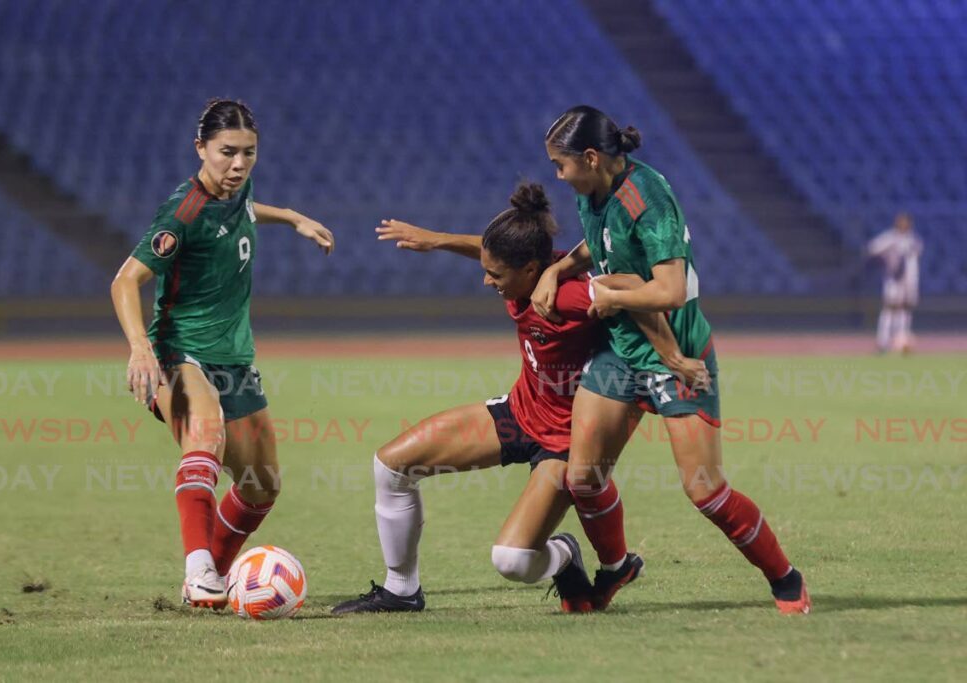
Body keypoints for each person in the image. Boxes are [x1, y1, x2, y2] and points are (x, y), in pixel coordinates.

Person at [332, 183, 706, 615]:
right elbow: (488, 250)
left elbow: (636, 289)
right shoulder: (526, 271)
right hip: (519, 412)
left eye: (495, 274)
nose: (486, 279)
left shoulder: (569, 295)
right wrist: (437, 240)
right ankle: (402, 590)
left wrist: (673, 357)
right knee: (391, 466)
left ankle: (564, 554)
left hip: (564, 443)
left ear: (532, 269)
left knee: (511, 561)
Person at [533, 105, 811, 614]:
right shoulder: (593, 193)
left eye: (561, 164)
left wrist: (613, 299)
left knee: (705, 491)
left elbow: (671, 290)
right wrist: (557, 271)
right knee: (583, 478)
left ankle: (785, 577)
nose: (558, 175)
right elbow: (603, 247)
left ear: (591, 158)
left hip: (677, 353)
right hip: (620, 350)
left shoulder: (649, 198)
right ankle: (617, 569)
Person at [110, 99, 335, 608]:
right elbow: (125, 281)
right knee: (205, 433)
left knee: (261, 485)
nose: (238, 164)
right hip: (178, 353)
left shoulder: (239, 188)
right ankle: (198, 572)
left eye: (249, 154)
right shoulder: (182, 212)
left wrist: (294, 218)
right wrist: (141, 350)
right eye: (226, 153)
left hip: (235, 358)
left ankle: (212, 578)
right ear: (201, 149)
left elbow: (246, 209)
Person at [866, 212, 923, 353]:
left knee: (905, 310)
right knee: (889, 309)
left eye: (906, 222)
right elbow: (873, 248)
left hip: (909, 281)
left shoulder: (914, 240)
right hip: (893, 280)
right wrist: (886, 260)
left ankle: (902, 341)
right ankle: (882, 342)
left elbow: (913, 260)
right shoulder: (890, 238)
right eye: (901, 221)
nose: (903, 225)